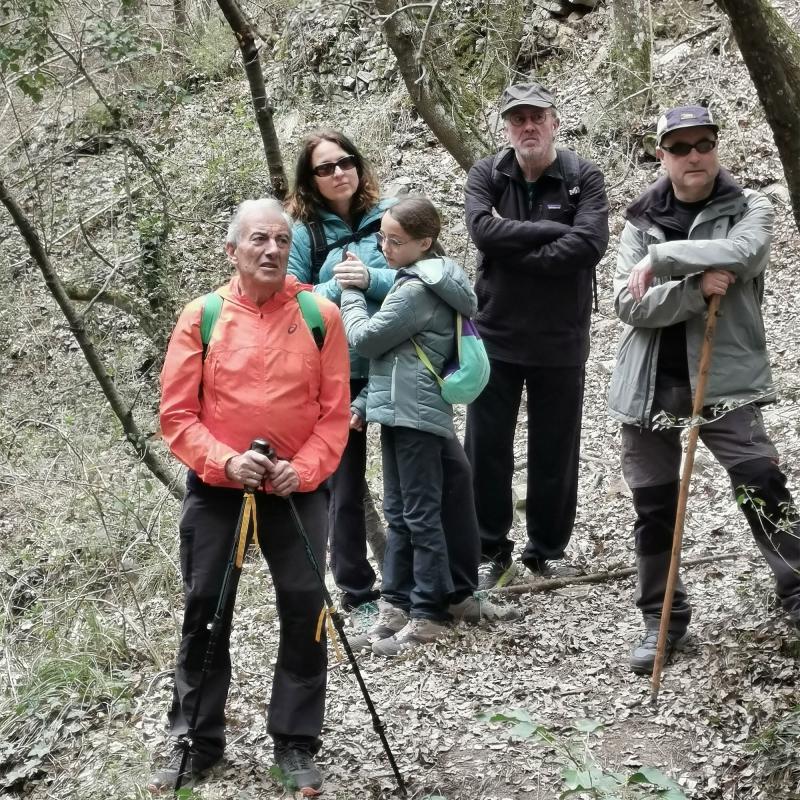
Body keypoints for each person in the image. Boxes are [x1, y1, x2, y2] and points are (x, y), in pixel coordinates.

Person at [148, 199, 350, 794]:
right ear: (231, 248)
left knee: (304, 608)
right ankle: (195, 740)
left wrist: (304, 468)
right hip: (218, 489)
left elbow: (336, 416)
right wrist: (226, 461)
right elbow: (178, 415)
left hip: (295, 488)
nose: (271, 250)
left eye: (282, 240)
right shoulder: (203, 317)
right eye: (258, 239)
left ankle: (295, 742)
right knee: (205, 609)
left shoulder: (320, 317)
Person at [608, 104, 800, 675]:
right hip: (649, 386)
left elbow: (745, 254)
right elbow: (627, 303)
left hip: (725, 380)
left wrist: (663, 261)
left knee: (761, 478)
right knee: (654, 502)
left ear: (716, 146)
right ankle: (661, 618)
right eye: (680, 146)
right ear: (662, 155)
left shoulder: (750, 206)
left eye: (703, 143)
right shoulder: (639, 220)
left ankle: (795, 589)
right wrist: (693, 290)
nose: (694, 156)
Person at [340, 197, 519, 656]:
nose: (385, 248)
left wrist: (353, 294)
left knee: (418, 514)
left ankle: (428, 614)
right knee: (400, 511)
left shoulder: (417, 290)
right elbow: (398, 359)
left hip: (415, 414)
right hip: (400, 409)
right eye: (382, 238)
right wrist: (365, 400)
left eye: (395, 241)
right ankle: (397, 607)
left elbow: (365, 338)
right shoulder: (421, 280)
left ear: (424, 242)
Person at [464, 83, 609, 589]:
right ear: (507, 126)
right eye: (517, 118)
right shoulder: (488, 173)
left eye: (537, 117)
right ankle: (488, 550)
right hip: (495, 336)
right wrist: (552, 233)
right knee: (486, 448)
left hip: (560, 338)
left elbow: (589, 243)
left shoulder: (581, 175)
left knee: (555, 449)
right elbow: (482, 231)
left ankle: (546, 551)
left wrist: (516, 245)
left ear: (554, 121)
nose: (528, 127)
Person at [286, 129, 396, 622]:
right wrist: (337, 285)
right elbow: (291, 301)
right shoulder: (300, 232)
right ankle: (357, 589)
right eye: (325, 167)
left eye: (345, 162)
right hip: (333, 373)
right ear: (309, 179)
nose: (338, 173)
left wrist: (372, 278)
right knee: (345, 483)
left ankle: (419, 578)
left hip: (396, 362)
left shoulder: (388, 217)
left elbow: (426, 272)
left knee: (413, 474)